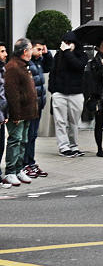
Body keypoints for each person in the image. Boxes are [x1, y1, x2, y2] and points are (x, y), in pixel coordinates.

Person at [2, 39, 38, 186]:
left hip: (27, 112)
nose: (32, 52)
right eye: (30, 49)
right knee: (15, 141)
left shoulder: (24, 66)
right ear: (24, 51)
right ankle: (10, 171)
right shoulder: (13, 67)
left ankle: (18, 169)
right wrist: (15, 114)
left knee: (23, 141)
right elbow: (12, 93)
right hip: (18, 113)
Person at [49, 31, 89, 158]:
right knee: (60, 121)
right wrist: (53, 90)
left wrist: (67, 52)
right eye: (65, 43)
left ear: (76, 44)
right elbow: (53, 73)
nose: (67, 45)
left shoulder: (82, 55)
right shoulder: (58, 56)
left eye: (70, 43)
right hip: (59, 93)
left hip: (76, 93)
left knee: (74, 122)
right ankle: (63, 147)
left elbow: (78, 66)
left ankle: (73, 145)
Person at [23, 39, 52, 178]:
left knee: (33, 135)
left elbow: (49, 67)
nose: (41, 52)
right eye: (38, 49)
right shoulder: (27, 63)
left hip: (38, 104)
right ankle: (25, 163)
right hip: (30, 105)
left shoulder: (39, 61)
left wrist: (47, 54)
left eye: (42, 50)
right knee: (28, 135)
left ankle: (31, 162)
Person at [0, 43, 10, 188]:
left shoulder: (2, 69)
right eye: (2, 51)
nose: (6, 53)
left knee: (1, 146)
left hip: (1, 115)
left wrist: (5, 113)